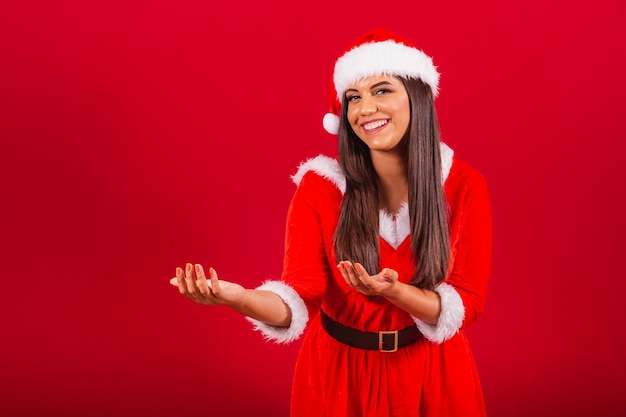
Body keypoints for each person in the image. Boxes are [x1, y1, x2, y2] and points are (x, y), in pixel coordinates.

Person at [170, 27, 493, 417]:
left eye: (381, 90)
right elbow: (297, 297)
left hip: (434, 377)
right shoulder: (319, 189)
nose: (364, 108)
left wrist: (396, 292)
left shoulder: (463, 185)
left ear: (417, 96)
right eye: (352, 97)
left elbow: (467, 304)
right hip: (338, 378)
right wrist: (238, 298)